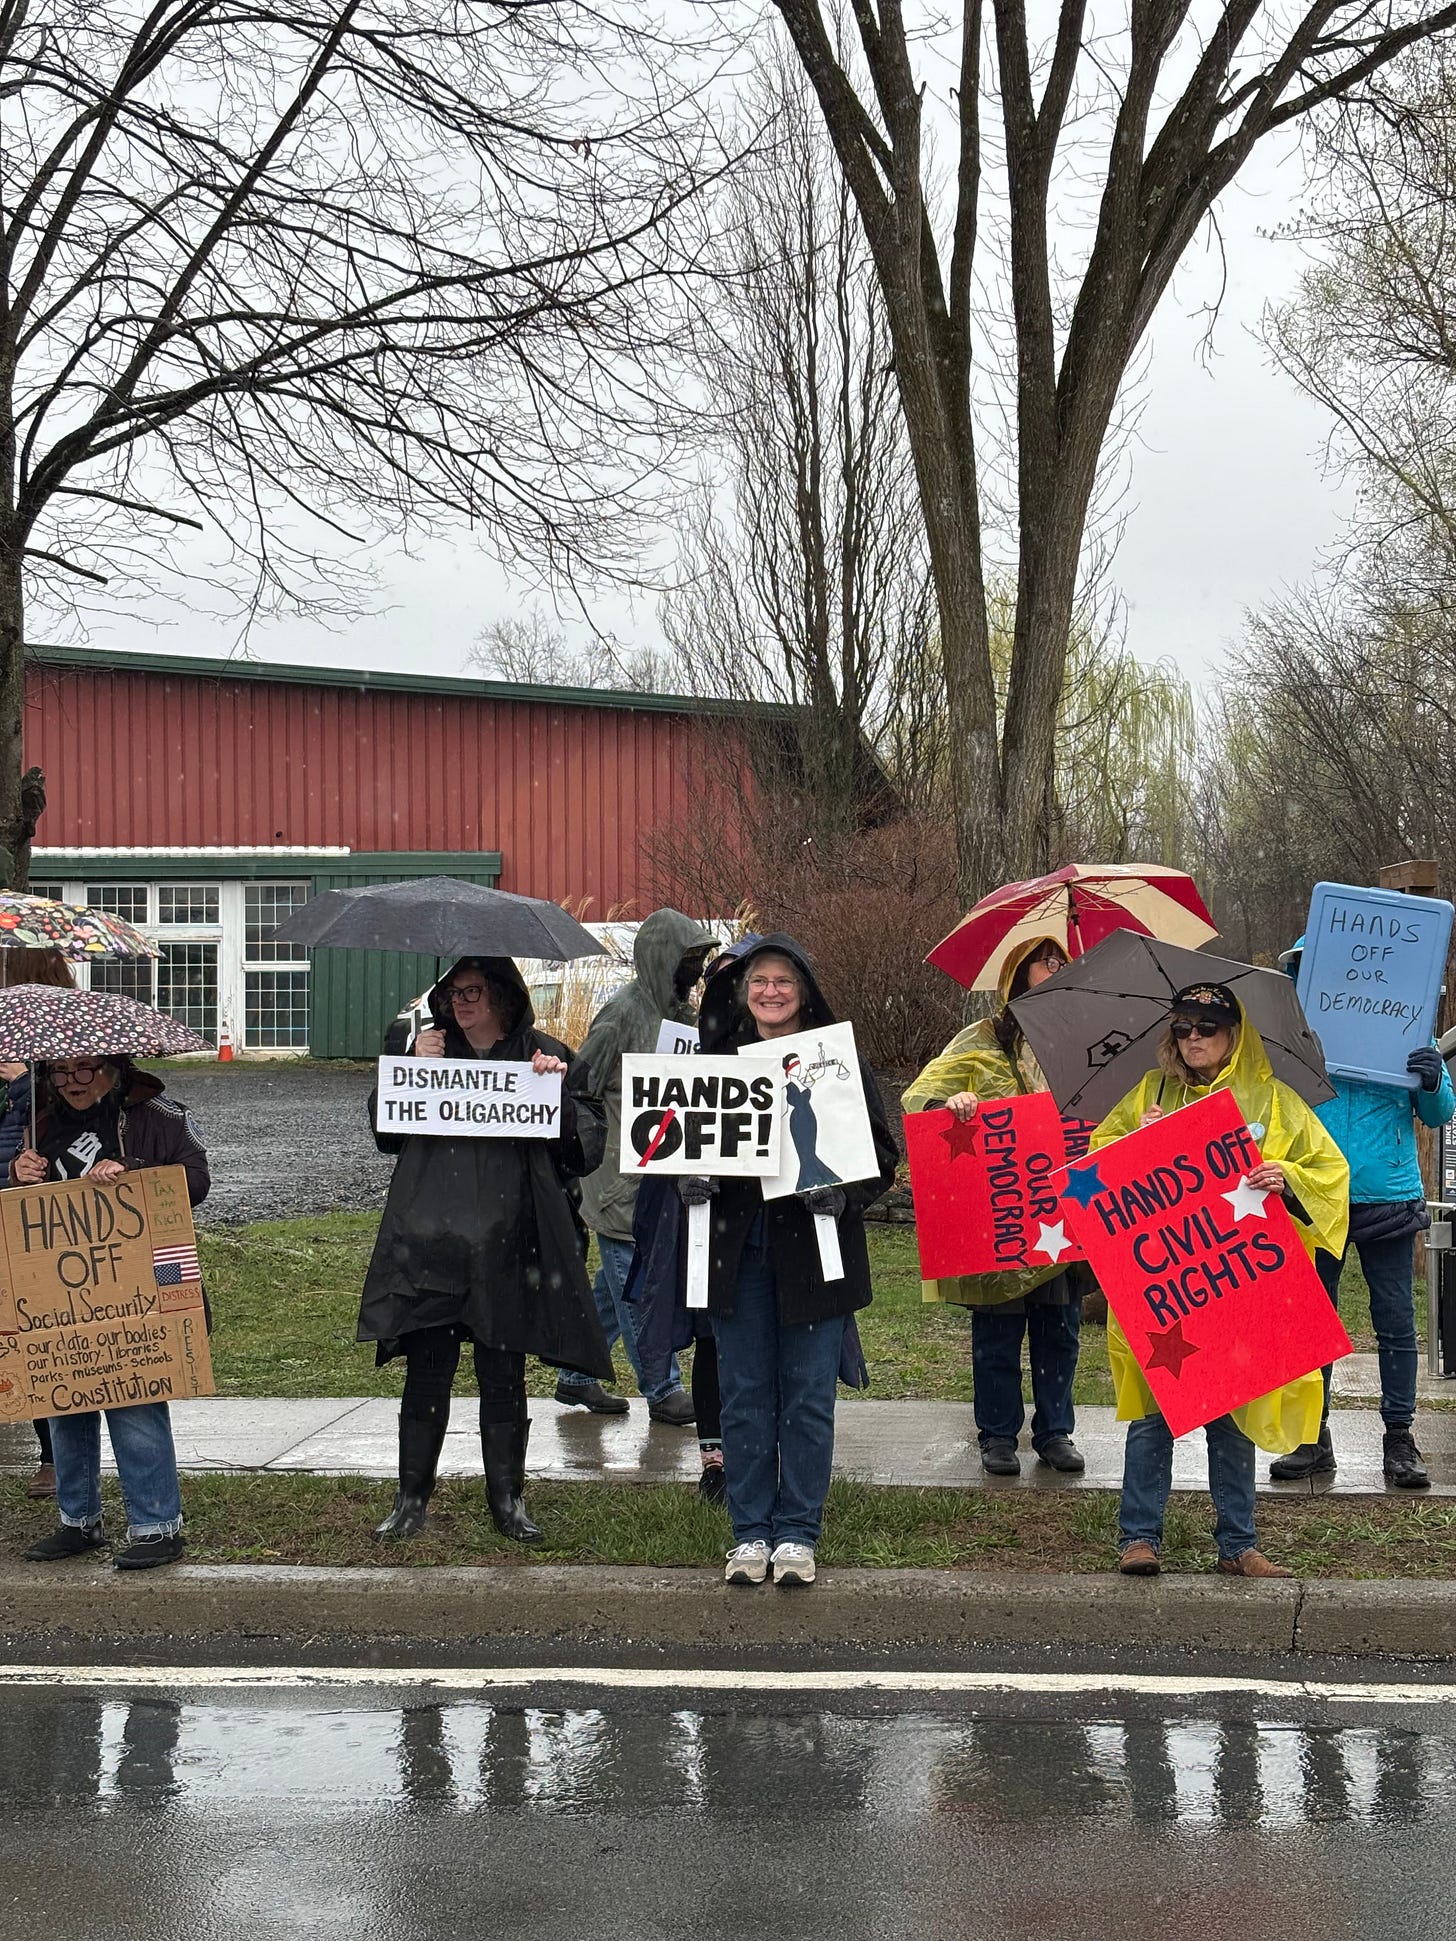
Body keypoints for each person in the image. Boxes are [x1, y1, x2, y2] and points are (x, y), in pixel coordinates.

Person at [1092, 982, 1350, 1579]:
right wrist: (1132, 1142)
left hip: (1239, 1288)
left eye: (1206, 1027)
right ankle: (1139, 1537)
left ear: (1234, 1033)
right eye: (1182, 1028)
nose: (1193, 1039)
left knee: (1232, 1414)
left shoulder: (1273, 1102)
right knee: (1156, 1410)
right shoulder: (1148, 1095)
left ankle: (1238, 1544)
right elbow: (1096, 1166)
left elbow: (1330, 1171)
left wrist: (1284, 1174)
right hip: (1169, 1291)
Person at [360, 956, 611, 1546]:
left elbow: (585, 1148)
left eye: (474, 992)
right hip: (432, 1245)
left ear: (501, 996)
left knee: (503, 1374)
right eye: (453, 992)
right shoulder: (426, 1050)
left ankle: (508, 1499)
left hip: (508, 1242)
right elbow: (385, 1131)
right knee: (428, 1374)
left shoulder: (542, 1054)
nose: (463, 1002)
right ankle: (410, 1499)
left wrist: (559, 1093)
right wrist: (410, 1069)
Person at [686, 935, 897, 1588]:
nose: (771, 991)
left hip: (814, 1253)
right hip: (738, 1254)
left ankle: (798, 1534)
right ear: (742, 990)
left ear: (804, 990)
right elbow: (677, 1144)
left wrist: (846, 1192)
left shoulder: (837, 1062)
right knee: (745, 1397)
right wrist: (685, 1181)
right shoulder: (715, 1062)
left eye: (783, 980)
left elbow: (882, 1155)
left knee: (807, 1399)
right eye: (759, 980)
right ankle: (749, 1531)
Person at [1270, 936, 1456, 1488]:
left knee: (1396, 1324)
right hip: (1314, 1193)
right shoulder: (1295, 1034)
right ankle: (1312, 1438)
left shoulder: (1403, 1023)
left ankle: (1400, 1438)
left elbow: (1438, 1111)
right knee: (1312, 1323)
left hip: (1388, 1195)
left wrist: (1434, 1075)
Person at [13, 1054, 210, 1569]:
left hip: (139, 1286)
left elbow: (195, 1180)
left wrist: (132, 1173)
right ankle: (78, 1521)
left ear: (113, 1070)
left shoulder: (156, 1114)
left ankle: (156, 1526)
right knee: (65, 1403)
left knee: (136, 1403)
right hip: (60, 1295)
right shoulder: (40, 1123)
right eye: (60, 1072)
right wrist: (15, 1171)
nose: (71, 1082)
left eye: (84, 1071)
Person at [902, 937, 1086, 1478]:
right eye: (1044, 959)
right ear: (1017, 972)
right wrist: (954, 1104)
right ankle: (998, 1435)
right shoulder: (980, 1039)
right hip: (1002, 1202)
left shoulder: (1079, 1039)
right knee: (998, 1332)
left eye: (1061, 959)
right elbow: (922, 1095)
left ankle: (1055, 1432)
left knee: (1059, 1328)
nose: (1054, 967)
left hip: (1057, 1204)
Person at [554, 908, 716, 1428]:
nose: (693, 971)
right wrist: (595, 1158)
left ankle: (576, 1373)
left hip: (658, 1174)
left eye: (699, 960)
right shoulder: (621, 1014)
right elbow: (581, 1085)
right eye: (686, 960)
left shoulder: (683, 1017)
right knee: (639, 1282)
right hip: (617, 1178)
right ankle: (661, 1385)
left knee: (615, 1280)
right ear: (660, 958)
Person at [0, 947, 79, 1500]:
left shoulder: (56, 1054)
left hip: (37, 1211)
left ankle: (54, 1455)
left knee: (40, 1328)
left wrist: (22, 1084)